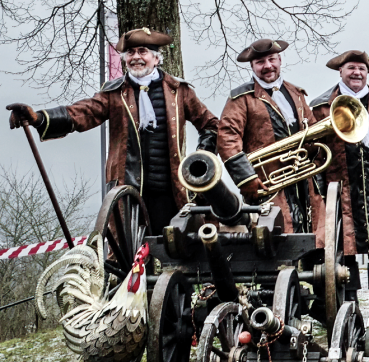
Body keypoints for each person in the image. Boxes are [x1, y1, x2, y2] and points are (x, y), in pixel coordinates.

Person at [6, 28, 218, 231]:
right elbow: (83, 112)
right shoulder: (114, 93)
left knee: (175, 249)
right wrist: (39, 118)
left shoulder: (179, 91)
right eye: (130, 52)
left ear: (156, 58)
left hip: (172, 191)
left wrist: (200, 161)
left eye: (142, 51)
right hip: (128, 191)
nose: (136, 57)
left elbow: (211, 125)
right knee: (130, 261)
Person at [310, 50, 369, 294]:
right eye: (351, 68)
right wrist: (322, 192)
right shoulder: (321, 106)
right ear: (340, 72)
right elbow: (314, 153)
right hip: (339, 191)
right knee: (343, 251)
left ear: (367, 74)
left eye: (361, 69)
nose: (356, 73)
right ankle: (348, 312)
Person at [217, 38, 319, 234]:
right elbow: (227, 139)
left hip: (302, 180)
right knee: (276, 236)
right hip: (266, 183)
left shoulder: (297, 94)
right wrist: (246, 178)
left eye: (272, 59)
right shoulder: (240, 98)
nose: (268, 66)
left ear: (280, 60)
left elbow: (311, 129)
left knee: (311, 234)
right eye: (260, 63)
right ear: (252, 67)